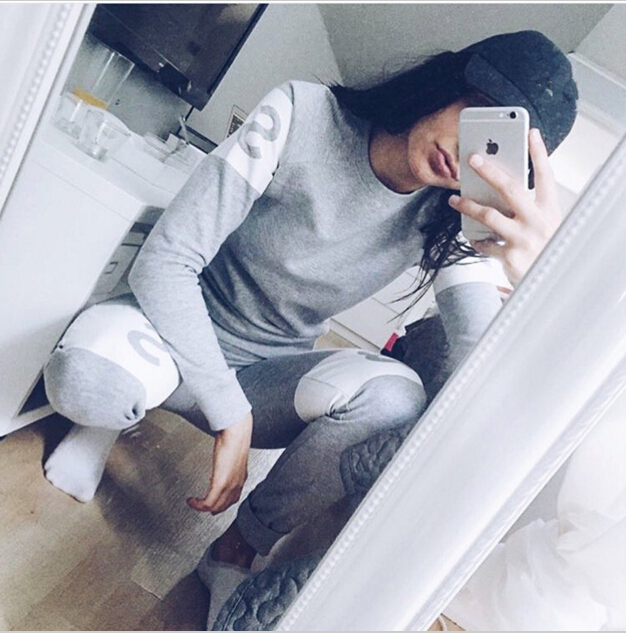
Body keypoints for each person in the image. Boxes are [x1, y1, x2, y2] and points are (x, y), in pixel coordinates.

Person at [42, 30, 577, 627]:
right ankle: (109, 422)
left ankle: (236, 549)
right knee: (87, 383)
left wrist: (527, 272)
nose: (471, 156)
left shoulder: (452, 220)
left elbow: (480, 364)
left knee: (397, 395)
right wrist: (230, 414)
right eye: (479, 115)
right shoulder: (303, 113)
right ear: (449, 83)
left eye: (499, 154)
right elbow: (165, 261)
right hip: (168, 334)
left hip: (268, 379)